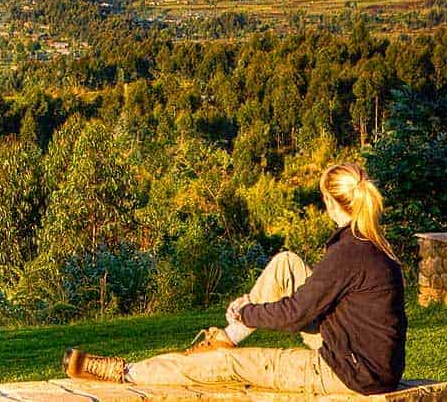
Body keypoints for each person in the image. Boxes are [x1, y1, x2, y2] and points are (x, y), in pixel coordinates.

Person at [63, 163, 408, 395]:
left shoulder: (348, 253)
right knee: (286, 263)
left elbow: (295, 314)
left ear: (331, 203)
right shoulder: (373, 243)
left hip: (348, 372)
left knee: (228, 366)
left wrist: (247, 312)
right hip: (362, 357)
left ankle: (127, 372)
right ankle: (226, 337)